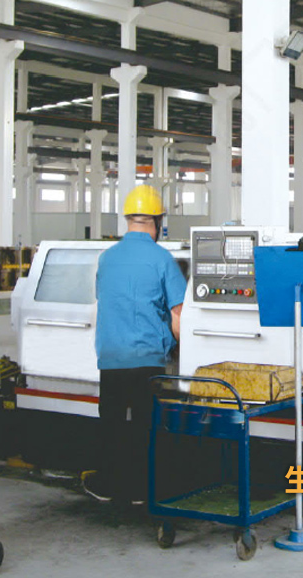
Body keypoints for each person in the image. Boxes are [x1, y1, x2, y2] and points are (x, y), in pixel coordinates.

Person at [82, 185, 187, 504]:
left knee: (112, 424)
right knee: (145, 427)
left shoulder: (106, 258)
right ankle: (144, 490)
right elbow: (179, 314)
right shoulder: (162, 259)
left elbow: (105, 300)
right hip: (146, 359)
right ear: (157, 221)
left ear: (128, 219)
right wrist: (182, 348)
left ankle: (109, 486)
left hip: (111, 356)